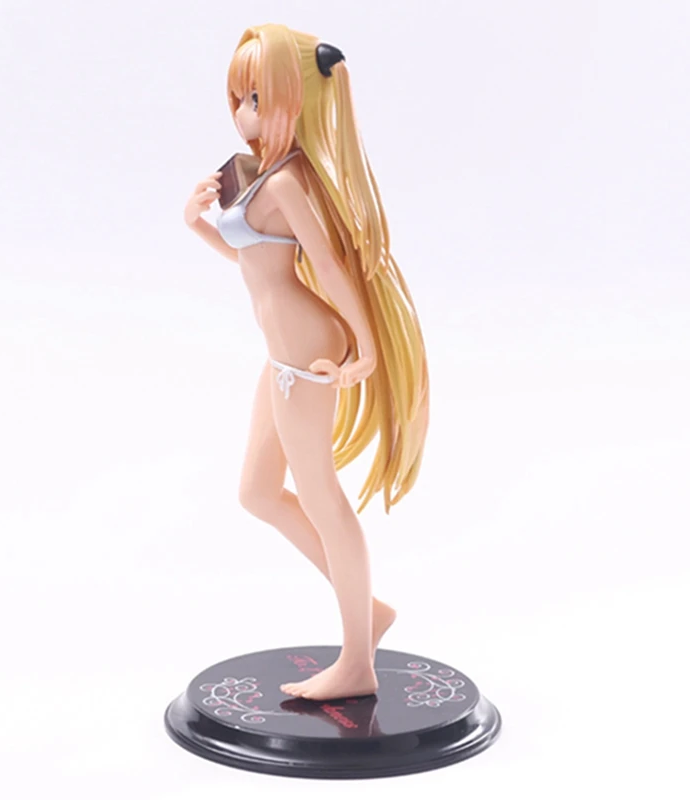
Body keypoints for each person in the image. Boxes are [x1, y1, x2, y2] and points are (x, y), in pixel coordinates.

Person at [183, 23, 430, 701]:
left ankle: (356, 662)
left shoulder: (289, 182)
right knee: (257, 493)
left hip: (307, 355)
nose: (244, 115)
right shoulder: (261, 173)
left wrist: (367, 345)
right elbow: (253, 259)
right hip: (283, 354)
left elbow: (328, 265)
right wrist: (196, 223)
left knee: (320, 493)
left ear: (298, 101)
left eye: (258, 99)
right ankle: (369, 611)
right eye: (239, 99)